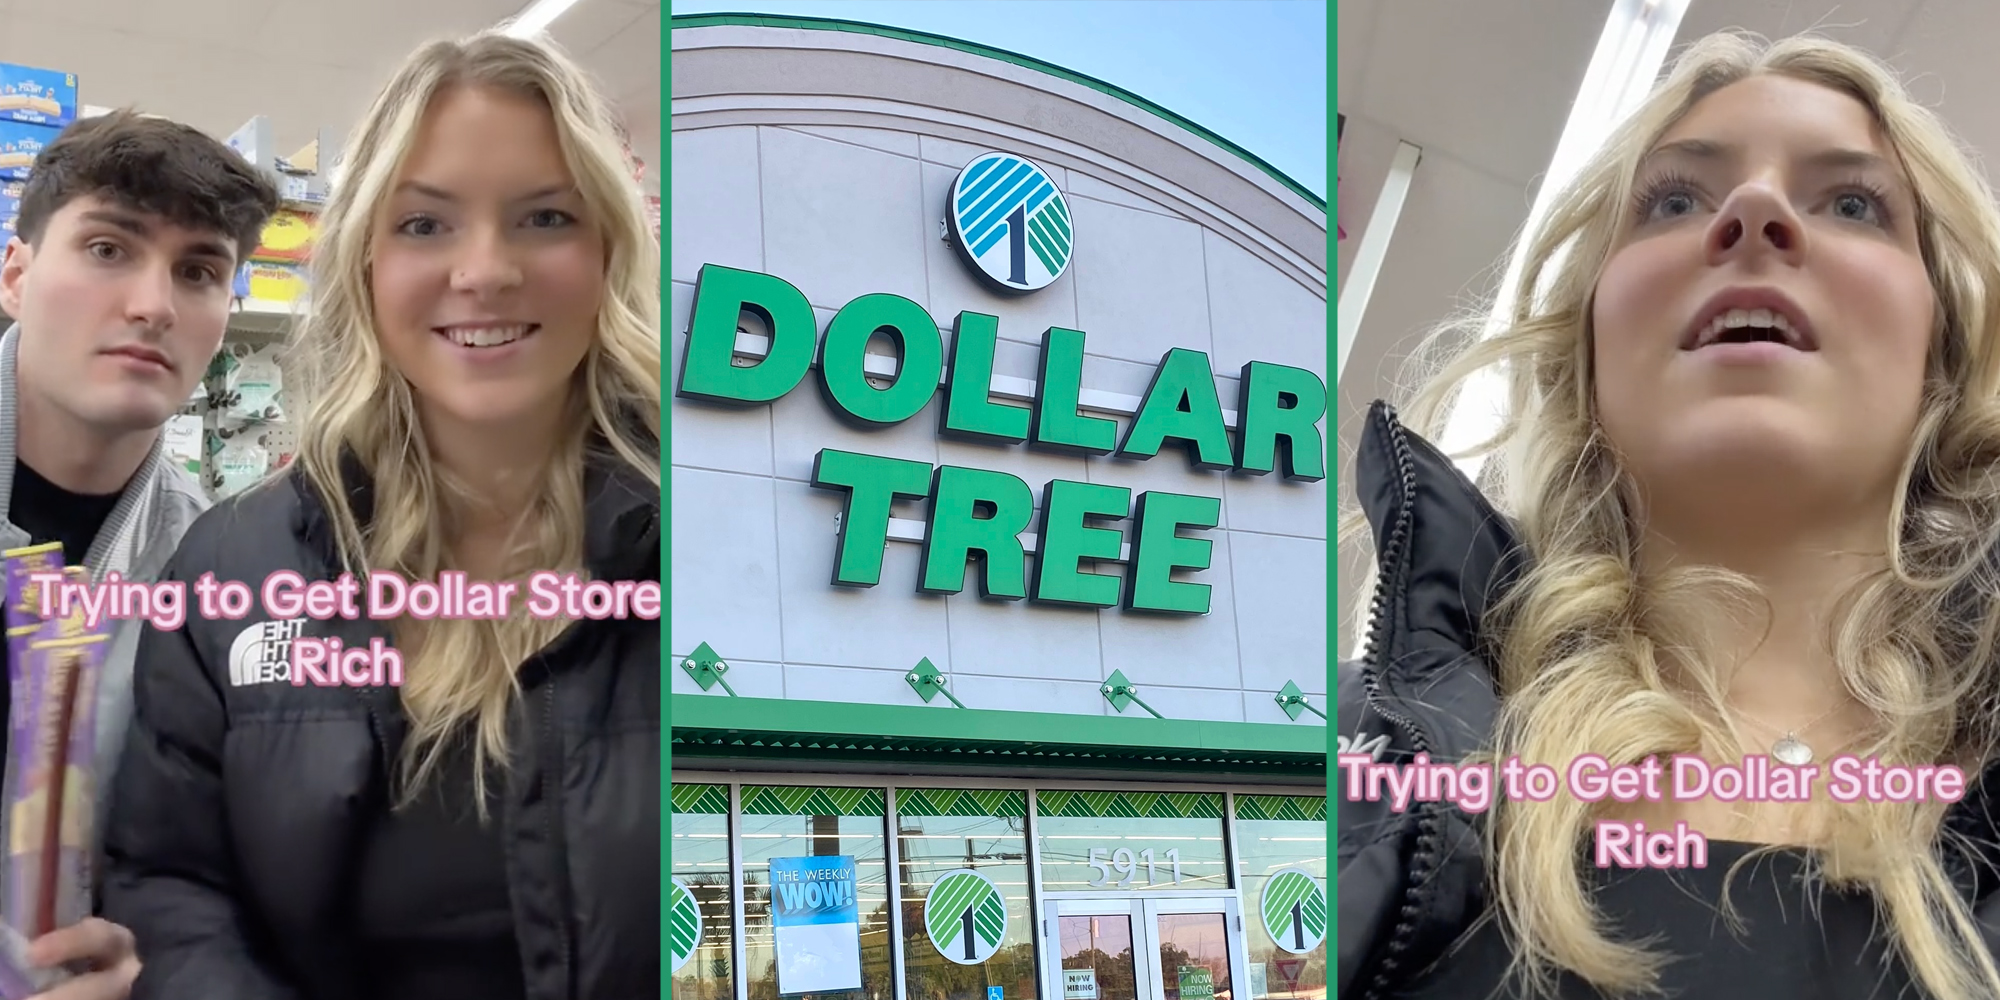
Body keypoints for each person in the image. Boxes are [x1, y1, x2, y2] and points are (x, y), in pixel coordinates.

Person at [1338, 31, 2000, 1000]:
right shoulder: (1331, 755)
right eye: (1673, 200)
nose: (1753, 211)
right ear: (1590, 338)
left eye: (1852, 203)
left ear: (1940, 342)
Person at [98, 30, 661, 1000]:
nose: (484, 270)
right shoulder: (230, 571)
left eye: (542, 216)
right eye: (425, 225)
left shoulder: (744, 548)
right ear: (363, 263)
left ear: (608, 249)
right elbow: (171, 879)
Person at [0, 110, 278, 999]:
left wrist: (158, 968)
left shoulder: (231, 577)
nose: (154, 304)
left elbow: (233, 879)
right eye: (109, 248)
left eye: (198, 269)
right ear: (16, 273)